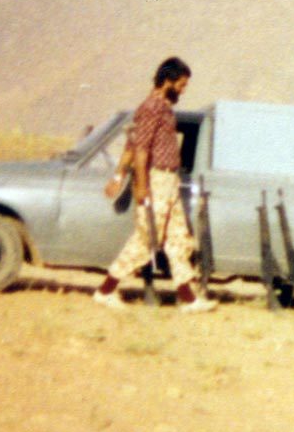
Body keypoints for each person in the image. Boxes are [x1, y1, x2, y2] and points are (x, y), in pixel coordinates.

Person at [93, 57, 216, 313]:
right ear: (168, 81)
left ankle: (188, 300)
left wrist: (118, 175)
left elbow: (131, 144)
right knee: (147, 238)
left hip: (170, 182)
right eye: (181, 84)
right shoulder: (151, 108)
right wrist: (140, 185)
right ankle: (105, 291)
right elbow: (140, 150)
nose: (183, 90)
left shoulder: (162, 108)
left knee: (179, 239)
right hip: (156, 181)